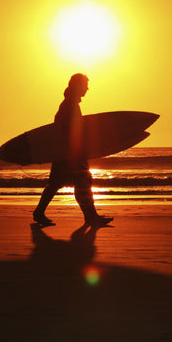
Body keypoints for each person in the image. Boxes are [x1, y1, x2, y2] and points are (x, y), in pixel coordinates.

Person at [33, 73, 113, 227]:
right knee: (79, 183)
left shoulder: (69, 103)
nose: (87, 89)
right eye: (85, 85)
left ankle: (89, 216)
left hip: (65, 153)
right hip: (70, 154)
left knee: (67, 183)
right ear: (78, 86)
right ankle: (91, 217)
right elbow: (70, 130)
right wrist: (76, 152)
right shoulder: (70, 105)